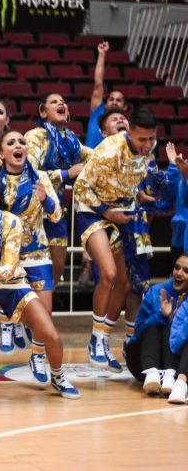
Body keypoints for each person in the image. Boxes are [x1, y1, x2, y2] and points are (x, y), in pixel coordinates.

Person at [0, 175, 80, 399]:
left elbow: (10, 267)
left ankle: (58, 376)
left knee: (51, 335)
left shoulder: (11, 221)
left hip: (12, 284)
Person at [73, 108, 157, 372]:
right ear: (129, 132)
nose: (147, 144)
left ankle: (105, 339)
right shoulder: (109, 150)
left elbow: (129, 181)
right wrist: (107, 212)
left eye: (151, 138)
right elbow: (81, 188)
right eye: (142, 139)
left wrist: (140, 196)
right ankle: (96, 339)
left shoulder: (147, 150)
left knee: (124, 283)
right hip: (92, 210)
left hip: (120, 211)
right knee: (108, 274)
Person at [0, 130, 62, 361]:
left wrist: (46, 199)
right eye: (11, 142)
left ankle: (38, 356)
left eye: (22, 142)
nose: (18, 145)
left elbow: (56, 215)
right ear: (1, 153)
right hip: (7, 255)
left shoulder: (39, 177)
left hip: (37, 253)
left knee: (45, 313)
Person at [25, 93, 91, 289]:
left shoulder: (71, 139)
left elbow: (95, 157)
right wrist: (66, 174)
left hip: (57, 211)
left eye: (63, 101)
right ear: (43, 112)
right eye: (54, 102)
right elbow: (29, 171)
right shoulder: (35, 136)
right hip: (33, 210)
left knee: (57, 268)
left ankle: (47, 305)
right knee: (31, 270)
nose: (61, 103)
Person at [125, 254, 188, 399]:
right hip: (141, 360)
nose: (179, 273)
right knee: (153, 327)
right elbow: (138, 331)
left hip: (176, 363)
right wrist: (161, 315)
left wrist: (177, 319)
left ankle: (172, 377)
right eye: (177, 268)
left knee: (171, 329)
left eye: (186, 271)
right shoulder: (157, 292)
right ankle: (152, 373)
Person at [87, 42, 128, 149]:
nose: (114, 102)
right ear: (105, 104)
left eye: (118, 100)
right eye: (111, 99)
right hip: (90, 158)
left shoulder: (126, 124)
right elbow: (98, 83)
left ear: (125, 107)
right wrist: (102, 54)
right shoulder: (97, 112)